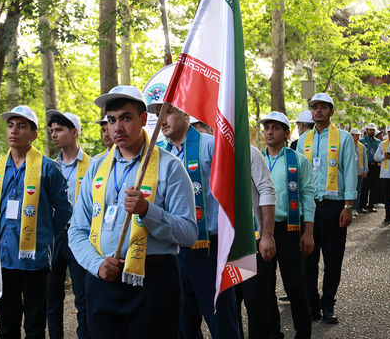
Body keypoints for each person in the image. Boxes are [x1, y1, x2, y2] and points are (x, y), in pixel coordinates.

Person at [68, 86, 198, 339]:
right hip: (104, 279)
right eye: (111, 120)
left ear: (143, 119)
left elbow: (189, 234)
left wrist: (148, 211)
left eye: (126, 118)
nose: (117, 128)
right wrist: (97, 265)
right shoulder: (96, 168)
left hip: (154, 283)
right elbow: (77, 230)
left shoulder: (170, 167)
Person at [146, 98, 243, 339]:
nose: (162, 120)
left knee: (221, 320)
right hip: (174, 251)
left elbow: (233, 192)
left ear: (186, 114)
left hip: (210, 249)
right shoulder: (157, 154)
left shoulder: (211, 145)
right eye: (159, 115)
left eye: (168, 112)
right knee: (182, 323)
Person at [0, 105, 72, 339]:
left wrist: (45, 234)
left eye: (21, 126)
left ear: (34, 134)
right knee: (6, 328)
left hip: (34, 261)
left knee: (35, 327)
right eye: (10, 126)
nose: (14, 131)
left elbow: (64, 209)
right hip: (2, 259)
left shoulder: (48, 168)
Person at [296, 93, 357, 324]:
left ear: (331, 111)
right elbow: (298, 175)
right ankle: (311, 305)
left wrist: (348, 205)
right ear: (311, 111)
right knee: (307, 260)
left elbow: (349, 171)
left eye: (323, 107)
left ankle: (328, 304)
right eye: (315, 107)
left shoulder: (343, 138)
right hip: (309, 209)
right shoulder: (303, 140)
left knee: (333, 260)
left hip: (333, 208)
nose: (318, 111)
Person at [261, 111, 315, 339]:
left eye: (275, 128)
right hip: (262, 231)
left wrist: (308, 232)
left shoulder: (299, 160)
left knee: (295, 286)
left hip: (289, 229)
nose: (269, 132)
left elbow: (307, 195)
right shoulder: (257, 160)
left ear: (286, 133)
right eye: (267, 128)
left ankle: (303, 332)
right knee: (265, 287)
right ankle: (274, 332)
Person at [45, 110, 91, 339]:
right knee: (52, 296)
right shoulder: (49, 167)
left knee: (83, 296)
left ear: (74, 132)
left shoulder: (93, 165)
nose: (54, 134)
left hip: (80, 235)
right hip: (54, 236)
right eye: (52, 130)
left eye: (59, 130)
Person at [236, 144, 277, 339]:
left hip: (250, 244)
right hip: (222, 246)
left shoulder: (248, 152)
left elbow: (267, 190)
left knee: (255, 302)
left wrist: (267, 235)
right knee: (229, 306)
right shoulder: (206, 152)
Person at [372, 125, 390, 224]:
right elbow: (375, 157)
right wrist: (384, 156)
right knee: (387, 198)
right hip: (385, 176)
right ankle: (388, 218)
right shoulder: (382, 144)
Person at [360, 123, 381, 213]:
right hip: (366, 165)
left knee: (374, 186)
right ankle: (362, 205)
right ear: (367, 131)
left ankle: (371, 206)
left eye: (373, 130)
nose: (372, 131)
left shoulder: (378, 142)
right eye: (370, 130)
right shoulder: (361, 141)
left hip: (375, 166)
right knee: (365, 186)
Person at [350, 128, 368, 217]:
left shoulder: (362, 147)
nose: (357, 137)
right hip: (350, 173)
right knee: (350, 190)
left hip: (359, 172)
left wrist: (365, 170)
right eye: (355, 135)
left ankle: (355, 208)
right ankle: (349, 208)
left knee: (358, 190)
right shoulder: (348, 145)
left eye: (358, 135)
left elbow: (365, 159)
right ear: (351, 135)